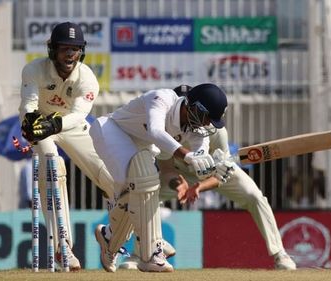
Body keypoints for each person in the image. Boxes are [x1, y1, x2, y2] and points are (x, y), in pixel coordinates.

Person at [119, 85, 297, 271]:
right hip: (184, 172)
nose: (203, 123)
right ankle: (140, 254)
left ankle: (280, 254)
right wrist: (178, 184)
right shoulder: (164, 127)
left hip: (216, 171)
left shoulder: (215, 132)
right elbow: (167, 169)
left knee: (254, 196)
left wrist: (199, 187)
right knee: (146, 193)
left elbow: (223, 174)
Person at [89, 83, 227, 272]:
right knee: (143, 177)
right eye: (206, 117)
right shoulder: (162, 98)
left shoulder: (198, 130)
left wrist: (207, 165)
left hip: (142, 146)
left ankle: (110, 237)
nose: (206, 124)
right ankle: (151, 252)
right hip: (112, 131)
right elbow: (156, 131)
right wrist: (188, 156)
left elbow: (199, 153)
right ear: (193, 105)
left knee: (140, 186)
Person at [19, 21, 114, 271]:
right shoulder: (33, 70)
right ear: (52, 50)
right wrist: (31, 123)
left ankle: (132, 242)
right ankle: (63, 248)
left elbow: (79, 115)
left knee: (113, 177)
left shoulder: (87, 78)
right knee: (52, 163)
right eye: (65, 48)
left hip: (68, 125)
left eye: (76, 48)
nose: (70, 54)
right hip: (40, 125)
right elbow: (28, 105)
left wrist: (55, 125)